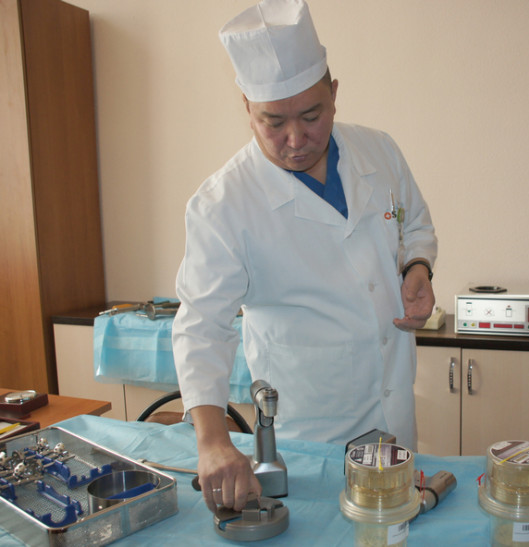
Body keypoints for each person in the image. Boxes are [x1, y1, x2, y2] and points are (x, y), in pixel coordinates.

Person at [172, 0, 437, 513]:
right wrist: (212, 441)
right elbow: (201, 326)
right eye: (273, 122)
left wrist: (417, 267)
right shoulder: (223, 204)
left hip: (394, 410)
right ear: (247, 108)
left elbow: (417, 226)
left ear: (334, 95)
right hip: (307, 434)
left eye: (312, 116)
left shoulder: (379, 152)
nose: (295, 140)